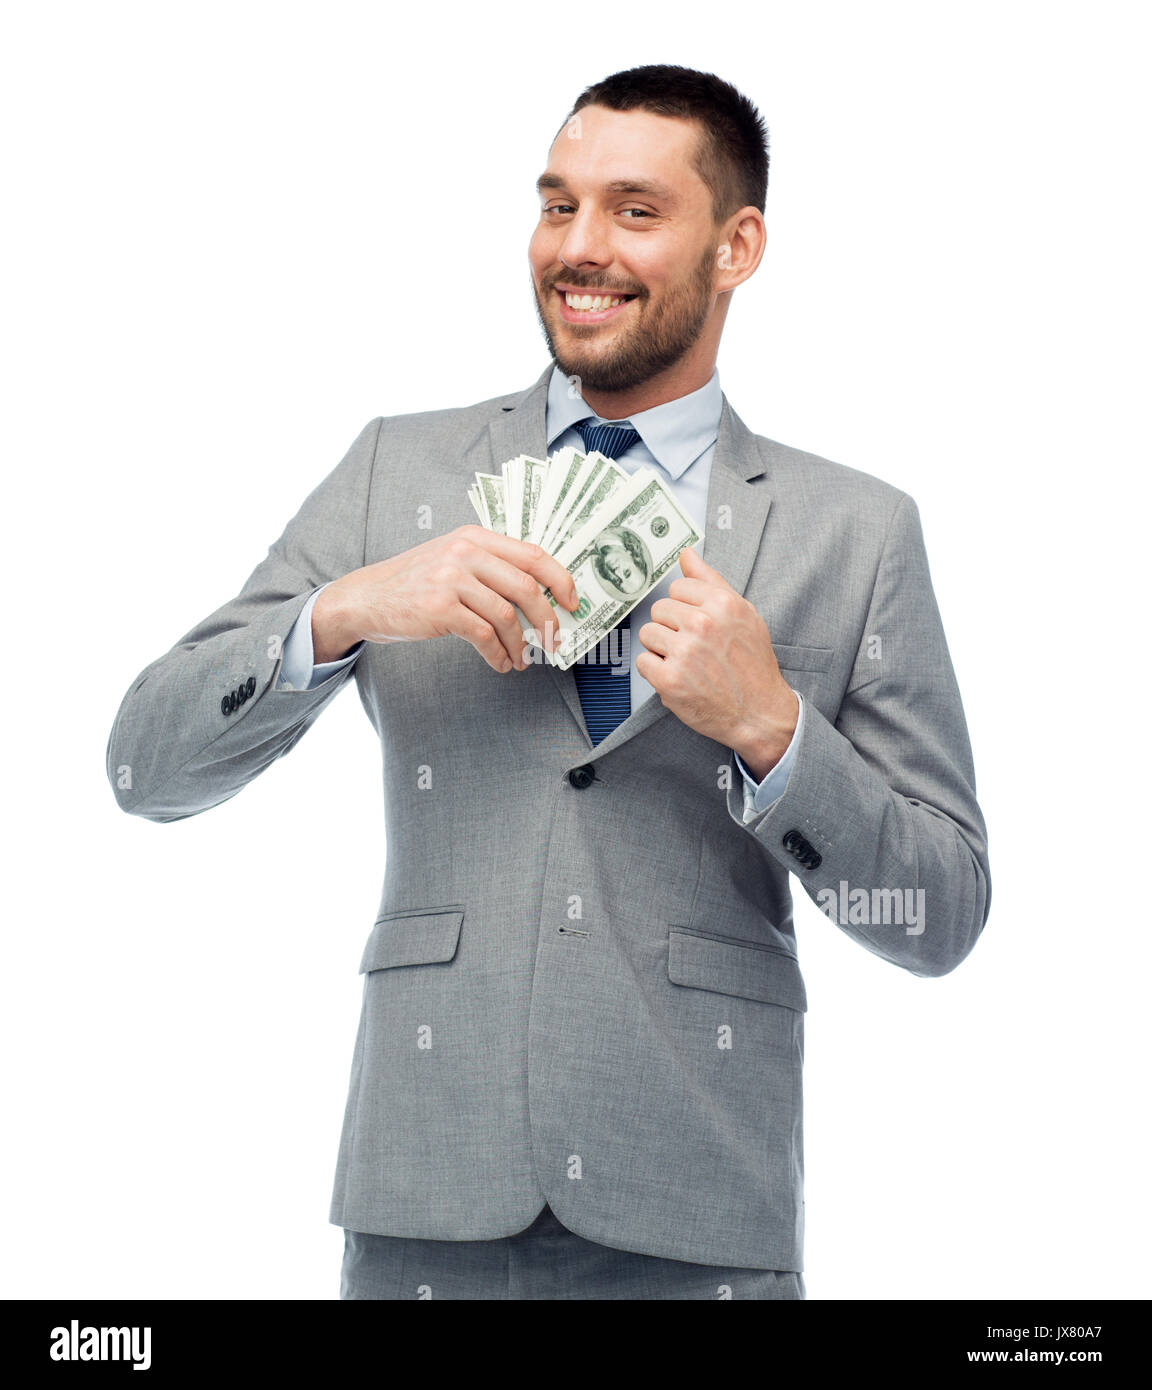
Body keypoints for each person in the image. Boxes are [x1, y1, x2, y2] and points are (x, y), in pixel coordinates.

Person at [106, 64, 991, 1300]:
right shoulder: (392, 473)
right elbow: (144, 765)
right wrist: (349, 607)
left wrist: (773, 729)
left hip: (700, 1211)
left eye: (635, 209)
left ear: (737, 246)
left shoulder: (858, 531)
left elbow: (942, 912)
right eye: (557, 203)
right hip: (428, 1197)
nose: (580, 248)